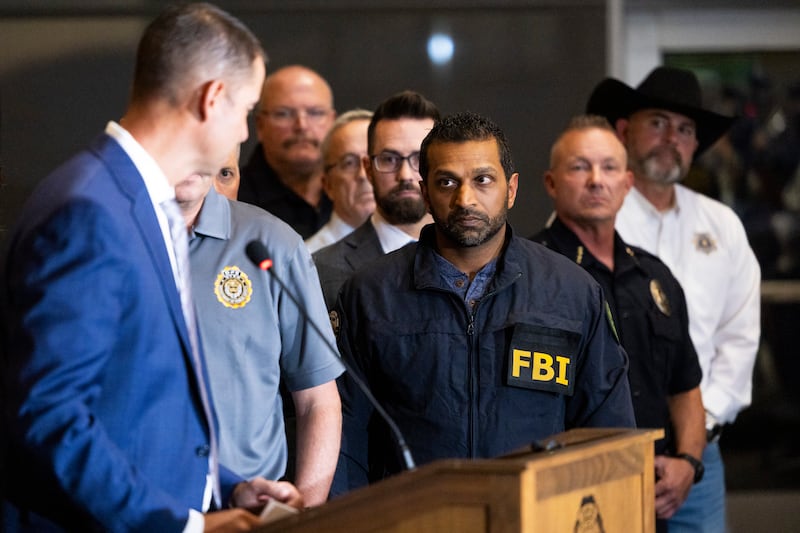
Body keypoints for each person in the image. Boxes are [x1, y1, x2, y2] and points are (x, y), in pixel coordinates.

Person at [0, 4, 302, 531]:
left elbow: (138, 405)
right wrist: (184, 526)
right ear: (212, 99)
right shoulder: (90, 211)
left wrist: (226, 486)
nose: (245, 131)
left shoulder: (138, 201)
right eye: (247, 109)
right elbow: (48, 415)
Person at [330, 111, 636, 496]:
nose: (465, 199)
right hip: (413, 516)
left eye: (483, 180)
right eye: (447, 182)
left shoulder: (572, 292)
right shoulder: (370, 295)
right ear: (426, 193)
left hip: (536, 513)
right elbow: (344, 438)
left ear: (511, 189)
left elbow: (608, 434)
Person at [587, 65, 761, 532]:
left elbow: (739, 338)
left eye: (685, 130)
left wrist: (693, 439)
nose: (671, 139)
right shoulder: (594, 213)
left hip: (698, 457)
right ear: (624, 130)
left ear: (695, 144)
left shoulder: (722, 226)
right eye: (658, 123)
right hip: (608, 449)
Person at [531, 115, 705, 533]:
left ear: (627, 184)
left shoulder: (655, 277)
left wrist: (688, 462)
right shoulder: (527, 274)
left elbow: (685, 387)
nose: (596, 181)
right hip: (562, 496)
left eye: (609, 168)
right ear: (551, 183)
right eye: (580, 167)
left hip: (651, 494)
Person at [174, 164, 344, 507]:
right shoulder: (111, 236)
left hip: (251, 502)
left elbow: (317, 400)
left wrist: (304, 517)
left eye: (226, 173)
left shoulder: (272, 242)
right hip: (137, 502)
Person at [313, 90, 439, 310]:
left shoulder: (476, 256)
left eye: (419, 158)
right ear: (368, 169)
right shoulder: (321, 271)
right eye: (389, 159)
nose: (405, 175)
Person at [238, 65, 336, 238]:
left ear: (332, 121)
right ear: (260, 125)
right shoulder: (234, 199)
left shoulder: (353, 193)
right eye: (284, 114)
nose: (302, 126)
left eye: (315, 113)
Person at [305, 109, 375, 253]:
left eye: (373, 160)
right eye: (349, 163)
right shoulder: (308, 258)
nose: (363, 174)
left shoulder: (415, 246)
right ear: (328, 185)